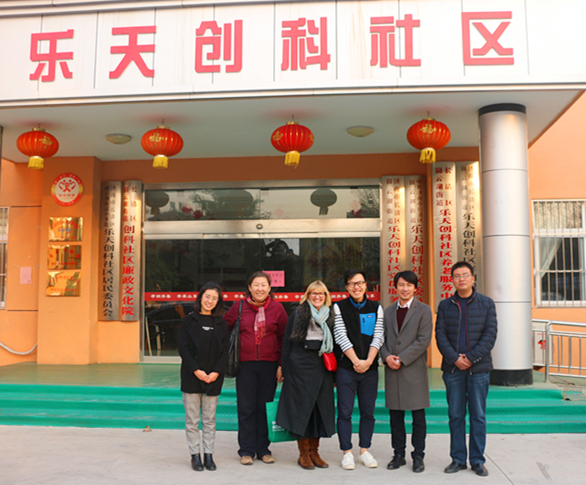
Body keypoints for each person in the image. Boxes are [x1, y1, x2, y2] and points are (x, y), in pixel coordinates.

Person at [435, 261, 498, 477]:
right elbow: (440, 335)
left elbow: (490, 335)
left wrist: (470, 358)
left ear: (473, 278)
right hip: (453, 370)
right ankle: (458, 459)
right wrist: (455, 359)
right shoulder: (445, 305)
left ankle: (477, 460)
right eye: (457, 276)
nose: (461, 279)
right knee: (455, 415)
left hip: (478, 369)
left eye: (465, 275)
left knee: (478, 415)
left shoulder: (487, 304)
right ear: (452, 280)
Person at [224, 271, 288, 465]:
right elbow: (223, 328)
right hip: (245, 365)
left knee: (263, 407)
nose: (260, 289)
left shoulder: (278, 309)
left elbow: (285, 339)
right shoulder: (239, 307)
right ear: (249, 288)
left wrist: (281, 365)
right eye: (256, 285)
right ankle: (246, 450)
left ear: (269, 288)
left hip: (270, 365)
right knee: (246, 408)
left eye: (263, 285)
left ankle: (263, 449)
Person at [276, 281, 336, 470]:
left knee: (319, 410)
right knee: (302, 409)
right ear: (308, 295)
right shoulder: (299, 313)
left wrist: (336, 374)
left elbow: (337, 343)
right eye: (313, 293)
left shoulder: (331, 314)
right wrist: (284, 368)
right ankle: (303, 454)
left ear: (326, 296)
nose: (317, 297)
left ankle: (314, 452)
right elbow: (287, 343)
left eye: (321, 293)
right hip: (300, 366)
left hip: (323, 366)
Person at [380, 270, 433, 473]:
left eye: (409, 285)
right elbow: (382, 338)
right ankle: (398, 454)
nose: (405, 288)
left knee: (418, 418)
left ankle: (418, 456)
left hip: (414, 371)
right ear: (395, 287)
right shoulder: (388, 311)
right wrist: (386, 357)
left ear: (415, 288)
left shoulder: (424, 310)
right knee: (396, 418)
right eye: (401, 285)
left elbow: (423, 340)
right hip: (393, 371)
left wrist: (401, 358)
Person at [333, 269, 384, 470]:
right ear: (347, 287)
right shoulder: (339, 307)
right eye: (352, 283)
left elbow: (378, 335)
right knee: (344, 412)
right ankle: (347, 452)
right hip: (346, 369)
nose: (357, 287)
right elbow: (340, 335)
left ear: (366, 285)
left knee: (367, 412)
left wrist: (369, 361)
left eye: (360, 283)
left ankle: (364, 451)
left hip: (370, 370)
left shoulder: (376, 308)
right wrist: (356, 361)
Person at [177, 282, 229, 472]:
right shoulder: (188, 321)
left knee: (209, 420)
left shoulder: (221, 323)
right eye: (207, 296)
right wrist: (196, 370)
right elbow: (183, 349)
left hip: (214, 378)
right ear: (200, 298)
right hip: (192, 376)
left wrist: (216, 372)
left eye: (215, 298)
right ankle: (195, 456)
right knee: (192, 420)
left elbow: (225, 351)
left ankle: (208, 454)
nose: (210, 301)